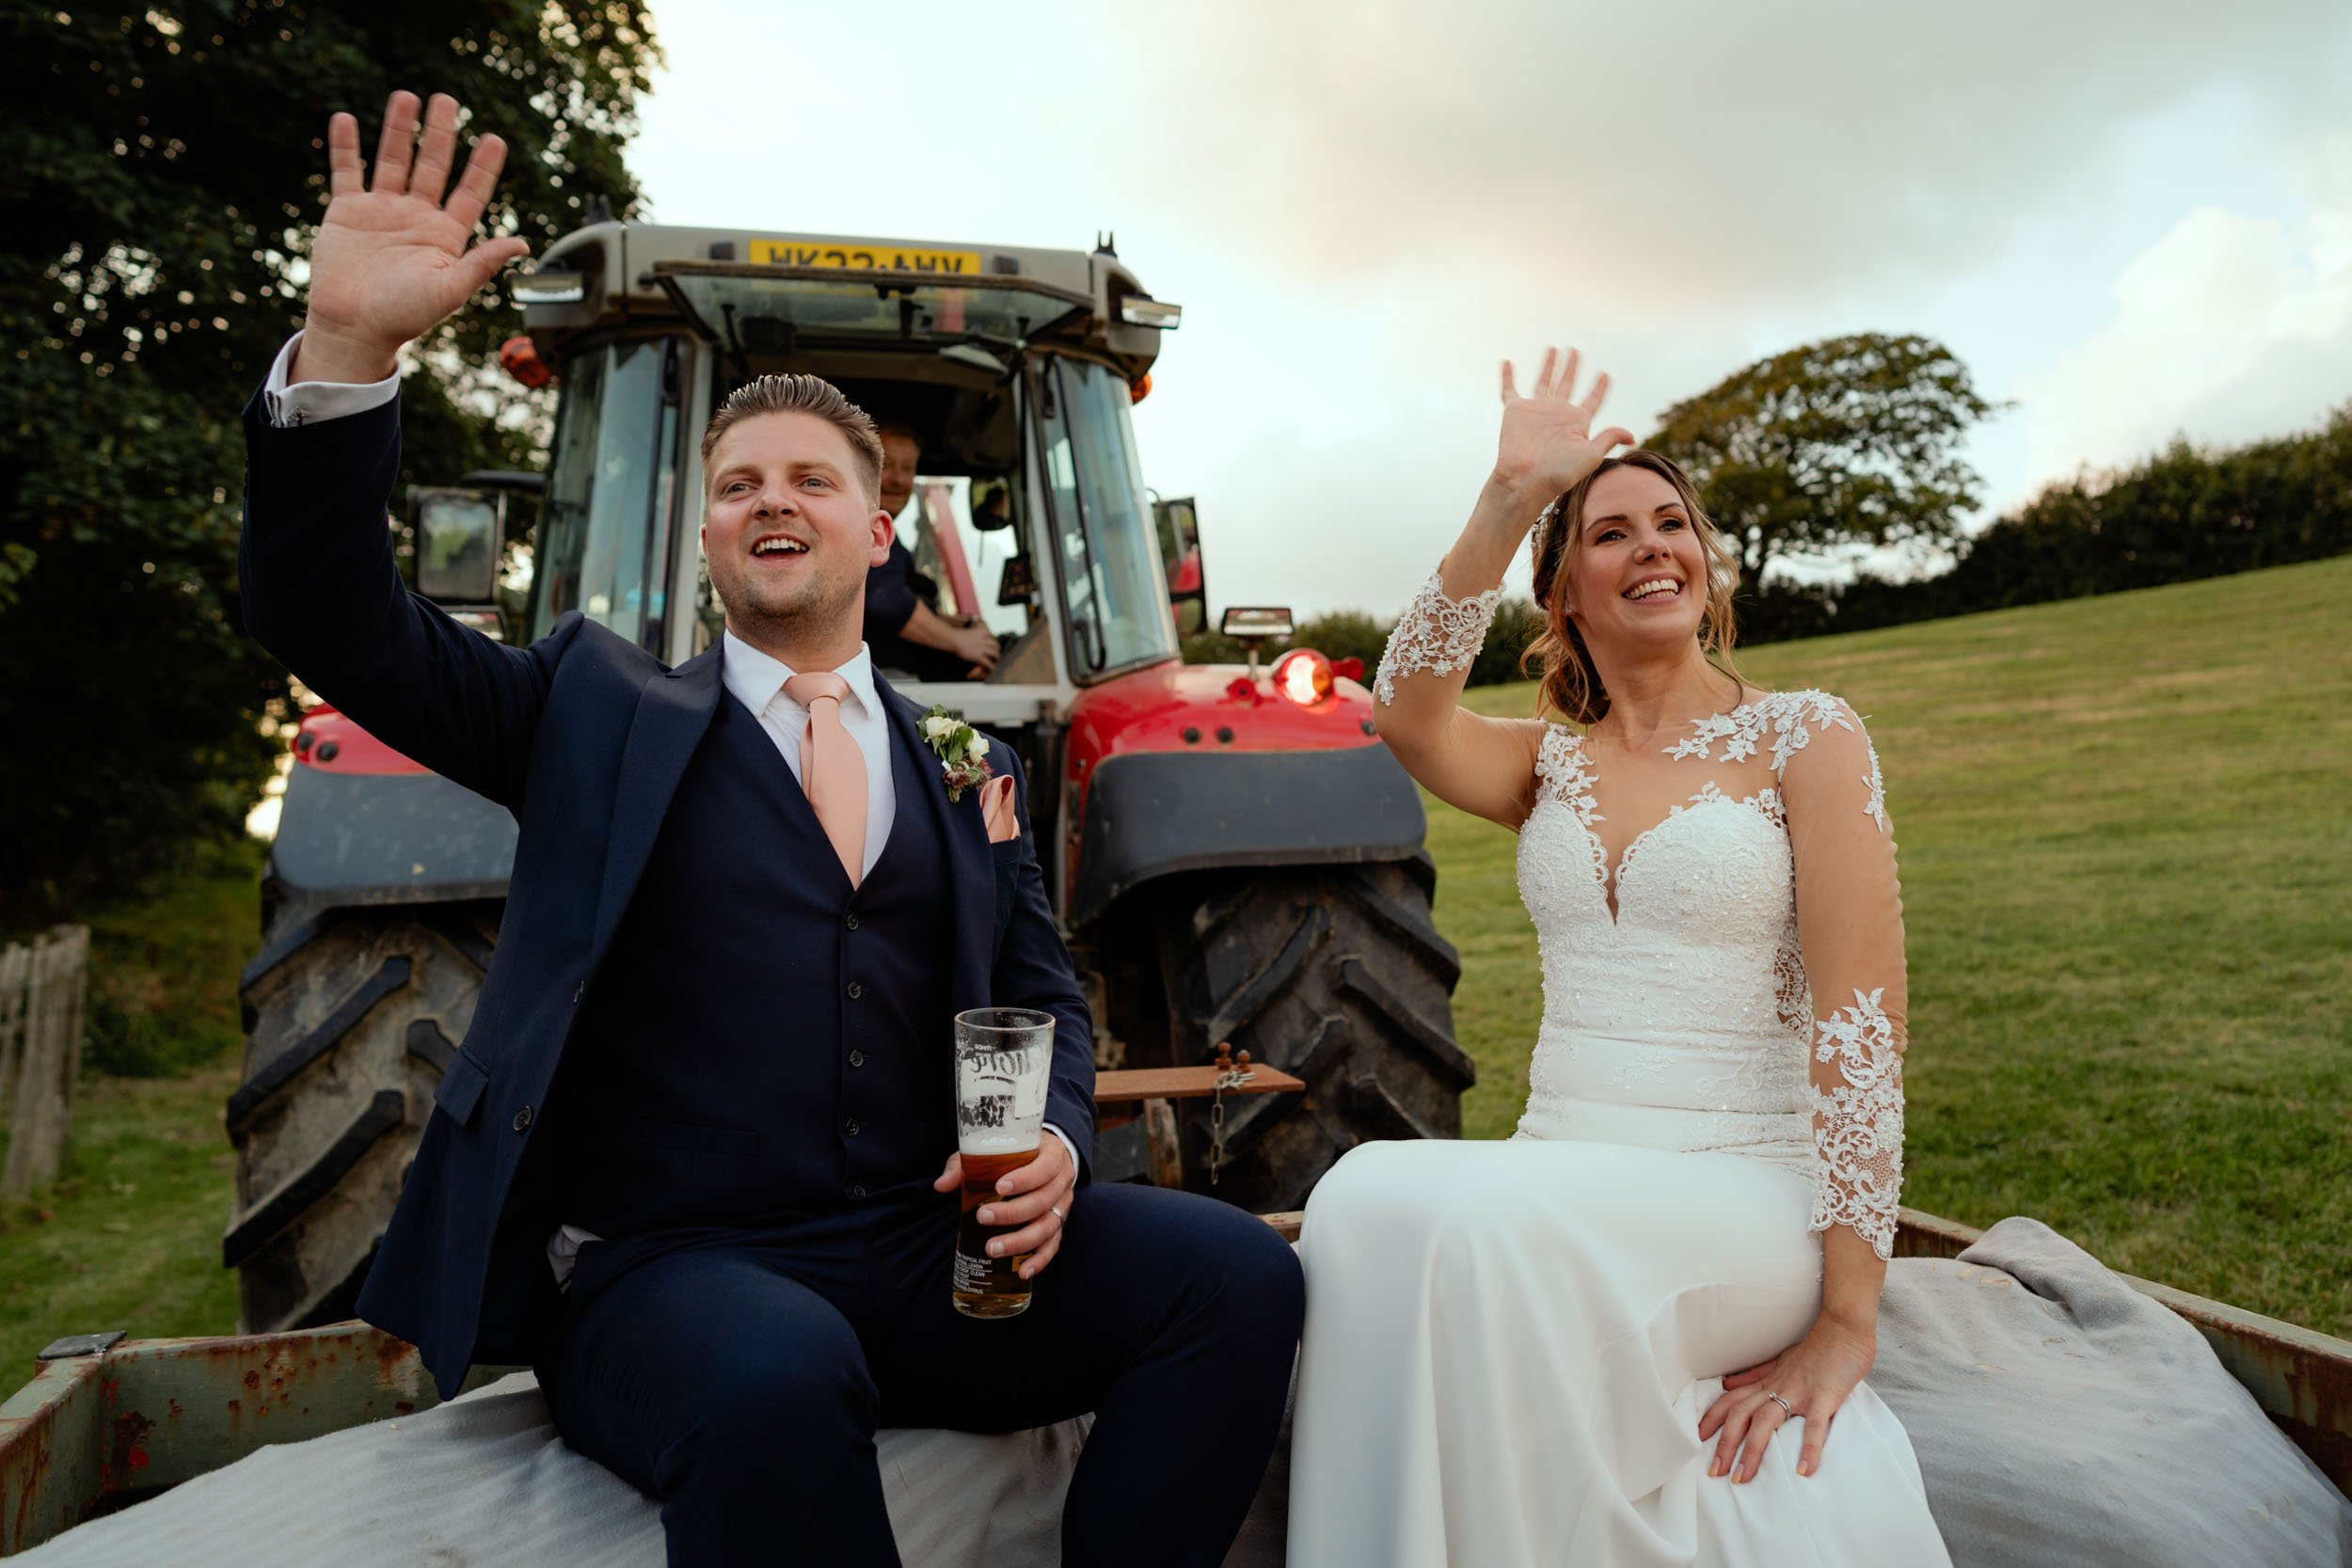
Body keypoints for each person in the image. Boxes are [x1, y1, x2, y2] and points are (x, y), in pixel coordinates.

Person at [241, 89, 1301, 1567]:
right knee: (773, 1377)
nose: (771, 500)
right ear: (708, 535)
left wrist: (1060, 1135)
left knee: (1237, 1274)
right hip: (677, 1272)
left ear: (880, 532)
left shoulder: (959, 753)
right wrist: (349, 351)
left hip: (933, 1253)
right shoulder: (589, 709)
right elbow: (335, 622)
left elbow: (1040, 991)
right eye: (739, 485)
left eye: (813, 478)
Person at [1286, 348, 1951, 1567]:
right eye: (1608, 531)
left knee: (1479, 1235)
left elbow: (1864, 1023)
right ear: (1565, 592)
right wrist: (1509, 493)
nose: (1652, 544)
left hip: (1746, 1192)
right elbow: (1404, 710)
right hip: (1567, 1176)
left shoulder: (1806, 736)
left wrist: (1848, 1316)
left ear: (1703, 561)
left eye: (1672, 522)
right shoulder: (1549, 763)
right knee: (1361, 1195)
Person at [865, 420, 1002, 680]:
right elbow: (885, 598)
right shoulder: (859, 526)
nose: (898, 479)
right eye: (886, 466)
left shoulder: (890, 538)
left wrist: (951, 624)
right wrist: (959, 642)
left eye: (907, 468)